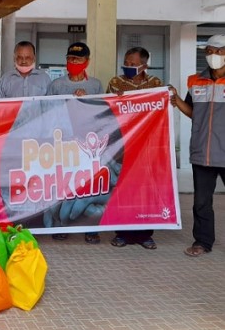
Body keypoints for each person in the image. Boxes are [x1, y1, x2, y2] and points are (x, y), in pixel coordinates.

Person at [170, 34, 225, 257]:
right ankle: (202, 242)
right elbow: (193, 112)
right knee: (201, 202)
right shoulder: (195, 81)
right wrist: (176, 101)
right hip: (202, 153)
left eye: (220, 51)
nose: (214, 55)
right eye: (210, 51)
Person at [107, 47, 163, 250]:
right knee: (123, 190)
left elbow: (160, 111)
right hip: (123, 145)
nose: (128, 66)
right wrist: (117, 100)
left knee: (145, 191)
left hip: (147, 147)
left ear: (144, 65)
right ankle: (122, 233)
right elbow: (107, 110)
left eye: (132, 63)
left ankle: (145, 234)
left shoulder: (155, 84)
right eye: (126, 62)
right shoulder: (116, 83)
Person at [47, 41, 103, 244]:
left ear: (86, 62)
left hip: (88, 146)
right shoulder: (56, 85)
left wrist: (88, 100)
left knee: (89, 188)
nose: (73, 62)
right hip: (63, 143)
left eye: (78, 59)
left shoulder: (95, 85)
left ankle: (90, 228)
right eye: (70, 59)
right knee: (64, 186)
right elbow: (46, 112)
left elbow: (102, 112)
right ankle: (61, 225)